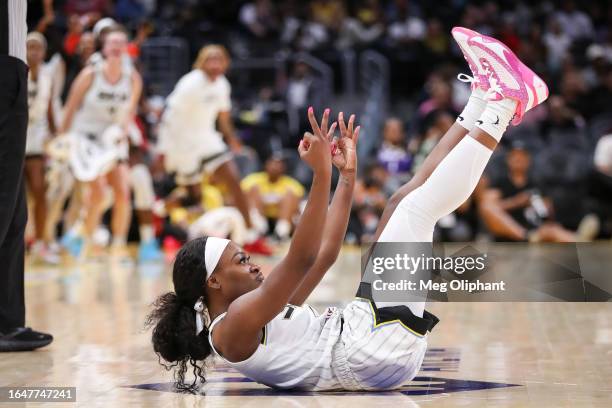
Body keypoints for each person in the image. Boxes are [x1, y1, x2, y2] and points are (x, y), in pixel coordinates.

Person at [146, 28, 548, 392]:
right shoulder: (233, 326)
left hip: (365, 345)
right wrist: (320, 175)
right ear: (213, 282)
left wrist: (346, 176)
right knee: (416, 210)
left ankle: (482, 97)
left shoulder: (255, 311)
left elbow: (323, 257)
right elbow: (301, 257)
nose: (252, 263)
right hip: (368, 351)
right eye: (240, 259)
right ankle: (501, 105)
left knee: (400, 201)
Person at [158, 45, 270, 254]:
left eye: (220, 59)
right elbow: (169, 116)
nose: (215, 64)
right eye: (211, 59)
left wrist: (233, 140)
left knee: (233, 180)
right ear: (202, 61)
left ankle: (251, 234)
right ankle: (158, 211)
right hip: (182, 143)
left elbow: (224, 118)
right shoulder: (190, 83)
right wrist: (164, 148)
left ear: (225, 63)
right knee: (193, 198)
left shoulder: (222, 85)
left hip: (208, 139)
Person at [59, 26, 142, 260]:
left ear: (126, 48)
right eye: (112, 43)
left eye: (120, 43)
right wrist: (62, 140)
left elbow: (130, 111)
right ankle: (87, 241)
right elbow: (70, 107)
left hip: (111, 139)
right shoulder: (90, 74)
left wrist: (124, 131)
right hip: (87, 139)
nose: (116, 47)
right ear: (104, 48)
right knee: (96, 193)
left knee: (123, 192)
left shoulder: (133, 78)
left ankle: (117, 245)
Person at [0, 0, 53, 352]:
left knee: (15, 212)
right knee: (4, 202)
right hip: (4, 70)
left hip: (11, 68)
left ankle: (7, 323)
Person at [24, 32, 59, 264]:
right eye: (30, 47)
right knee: (15, 195)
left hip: (36, 136)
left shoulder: (48, 75)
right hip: (14, 134)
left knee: (40, 190)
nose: (34, 51)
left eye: (37, 47)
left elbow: (48, 107)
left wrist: (56, 133)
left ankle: (40, 242)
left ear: (44, 52)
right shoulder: (14, 70)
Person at [241, 153, 305, 240]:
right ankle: (258, 230)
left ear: (283, 168)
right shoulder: (253, 179)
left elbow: (297, 206)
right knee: (253, 189)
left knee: (290, 195)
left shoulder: (292, 184)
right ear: (266, 165)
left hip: (281, 218)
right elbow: (241, 197)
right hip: (260, 218)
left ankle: (281, 233)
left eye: (278, 164)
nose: (275, 167)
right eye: (272, 163)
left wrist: (279, 202)